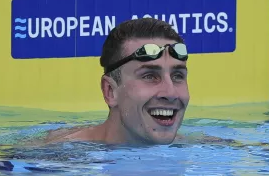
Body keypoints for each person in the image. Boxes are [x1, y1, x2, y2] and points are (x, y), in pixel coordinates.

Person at [45, 18, 190, 145]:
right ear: (110, 91)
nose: (171, 93)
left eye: (177, 76)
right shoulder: (60, 156)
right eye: (149, 76)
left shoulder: (201, 148)